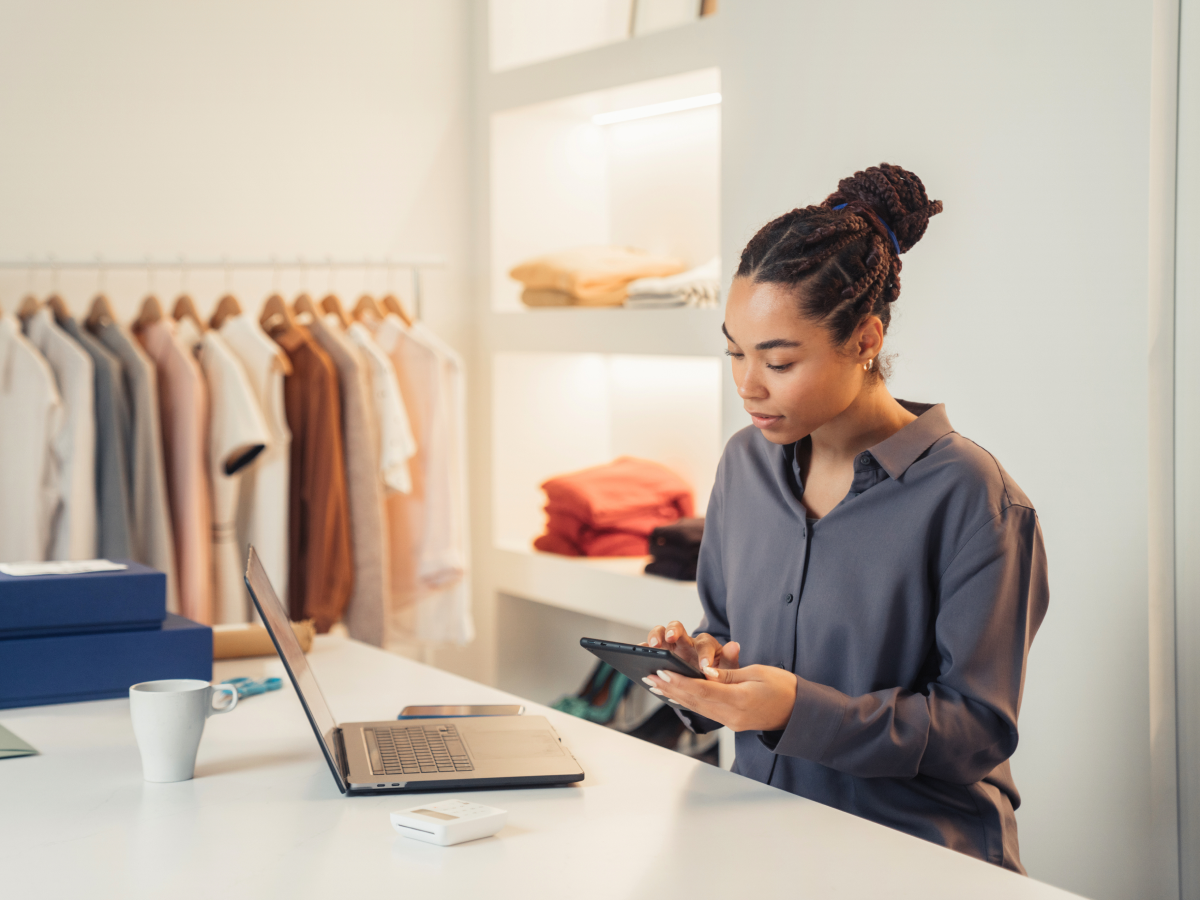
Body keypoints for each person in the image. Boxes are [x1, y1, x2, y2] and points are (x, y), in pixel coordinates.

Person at [642, 163, 1048, 873]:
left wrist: (795, 708)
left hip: (917, 856)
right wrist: (699, 665)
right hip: (758, 836)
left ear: (865, 340)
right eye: (735, 352)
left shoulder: (971, 496)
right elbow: (726, 634)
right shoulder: (745, 465)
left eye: (779, 359)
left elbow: (977, 728)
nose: (748, 385)